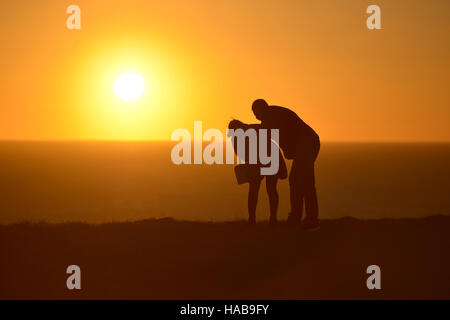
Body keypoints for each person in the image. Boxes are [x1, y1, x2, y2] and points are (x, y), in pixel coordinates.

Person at [251, 99, 320, 230]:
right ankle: (308, 218)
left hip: (306, 145)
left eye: (255, 113)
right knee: (305, 182)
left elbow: (266, 133)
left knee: (298, 181)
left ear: (262, 109)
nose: (255, 116)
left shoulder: (272, 117)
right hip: (308, 143)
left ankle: (298, 217)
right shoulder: (273, 115)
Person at [228, 119, 287, 226]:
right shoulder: (236, 138)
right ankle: (255, 219)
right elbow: (242, 155)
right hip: (258, 163)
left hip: (269, 159)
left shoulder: (253, 130)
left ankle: (269, 218)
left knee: (268, 189)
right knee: (260, 190)